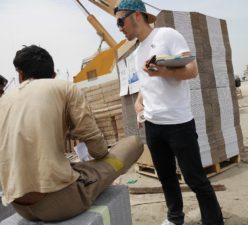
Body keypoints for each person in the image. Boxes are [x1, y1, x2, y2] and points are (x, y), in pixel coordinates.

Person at [0, 45, 143, 222]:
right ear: (53, 75)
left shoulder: (4, 100)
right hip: (58, 204)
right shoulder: (65, 87)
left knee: (71, 166)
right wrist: (100, 156)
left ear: (20, 75)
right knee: (134, 143)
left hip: (19, 206)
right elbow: (97, 148)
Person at [115, 1, 224, 225]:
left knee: (195, 179)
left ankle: (214, 221)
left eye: (120, 21)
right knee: (166, 177)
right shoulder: (137, 54)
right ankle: (175, 218)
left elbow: (192, 71)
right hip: (154, 126)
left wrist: (163, 71)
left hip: (179, 123)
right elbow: (145, 86)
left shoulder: (167, 35)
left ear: (137, 15)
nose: (119, 28)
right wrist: (138, 104)